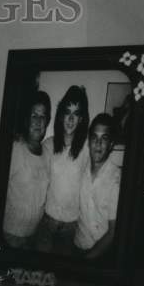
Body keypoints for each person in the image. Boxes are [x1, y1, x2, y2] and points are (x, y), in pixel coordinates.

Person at [36, 85, 89, 254]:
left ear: (81, 119)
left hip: (71, 227)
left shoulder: (87, 148)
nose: (71, 119)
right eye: (67, 112)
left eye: (76, 114)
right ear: (61, 115)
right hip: (47, 222)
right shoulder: (48, 145)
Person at [1, 91, 51, 249]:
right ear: (26, 119)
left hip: (35, 235)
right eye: (34, 115)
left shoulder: (47, 152)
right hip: (10, 236)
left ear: (47, 122)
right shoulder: (14, 149)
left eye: (42, 117)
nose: (38, 121)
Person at [74, 113, 122, 260]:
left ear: (111, 144)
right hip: (76, 247)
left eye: (104, 138)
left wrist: (86, 260)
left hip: (102, 254)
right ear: (89, 141)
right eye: (94, 137)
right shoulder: (80, 168)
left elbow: (114, 232)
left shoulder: (117, 179)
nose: (98, 143)